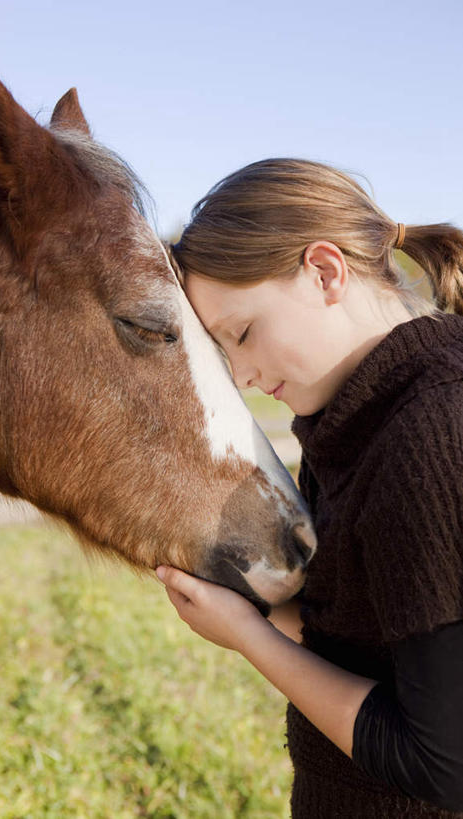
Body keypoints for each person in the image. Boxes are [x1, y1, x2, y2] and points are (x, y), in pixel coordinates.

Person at [155, 158, 463, 818]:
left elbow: (443, 762)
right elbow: (351, 637)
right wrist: (233, 593)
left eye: (241, 333)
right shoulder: (345, 425)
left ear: (325, 271)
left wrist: (248, 635)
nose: (239, 373)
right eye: (221, 351)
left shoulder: (428, 432)